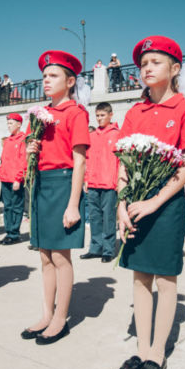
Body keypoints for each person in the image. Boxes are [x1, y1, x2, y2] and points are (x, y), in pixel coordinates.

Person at [116, 36, 185, 369]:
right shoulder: (134, 112)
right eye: (144, 63)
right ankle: (140, 347)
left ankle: (157, 351)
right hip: (134, 201)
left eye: (155, 62)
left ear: (175, 69)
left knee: (165, 278)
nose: (147, 68)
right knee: (139, 276)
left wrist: (154, 202)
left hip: (165, 203)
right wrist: (122, 204)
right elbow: (122, 161)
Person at [21, 50, 89, 345]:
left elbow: (80, 161)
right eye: (44, 76)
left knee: (61, 256)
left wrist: (73, 204)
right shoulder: (40, 115)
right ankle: (46, 314)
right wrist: (31, 149)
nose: (46, 81)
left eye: (53, 76)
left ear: (70, 81)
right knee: (44, 256)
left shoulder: (76, 113)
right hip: (42, 185)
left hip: (63, 185)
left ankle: (61, 318)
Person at [81, 102, 119, 263]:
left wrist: (118, 181)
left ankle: (108, 250)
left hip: (110, 184)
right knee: (94, 217)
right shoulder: (92, 136)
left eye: (102, 115)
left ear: (110, 115)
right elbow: (87, 160)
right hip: (93, 183)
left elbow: (121, 160)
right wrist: (85, 180)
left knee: (109, 218)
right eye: (97, 115)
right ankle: (95, 248)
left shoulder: (117, 134)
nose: (99, 118)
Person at [0, 113, 27, 245]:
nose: (8, 126)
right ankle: (8, 232)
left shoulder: (23, 139)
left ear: (19, 124)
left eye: (11, 123)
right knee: (7, 207)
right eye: (8, 123)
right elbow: (4, 160)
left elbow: (23, 161)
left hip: (15, 180)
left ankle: (14, 233)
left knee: (16, 207)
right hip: (5, 178)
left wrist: (18, 178)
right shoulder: (8, 140)